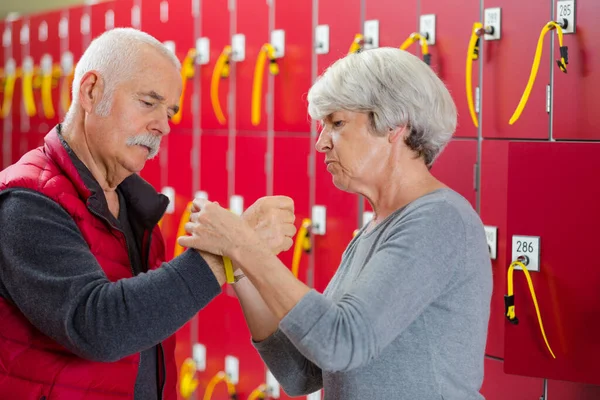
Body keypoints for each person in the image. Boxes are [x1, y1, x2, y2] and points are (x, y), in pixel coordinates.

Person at [179, 47, 493, 399]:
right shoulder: (375, 230)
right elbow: (303, 372)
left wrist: (245, 245)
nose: (320, 143)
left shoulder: (439, 220)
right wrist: (238, 268)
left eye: (337, 123)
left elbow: (340, 342)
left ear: (394, 125)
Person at [0, 28, 296, 399]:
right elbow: (99, 326)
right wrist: (228, 251)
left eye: (169, 111)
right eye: (148, 103)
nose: (163, 125)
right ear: (91, 92)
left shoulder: (133, 206)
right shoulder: (26, 203)